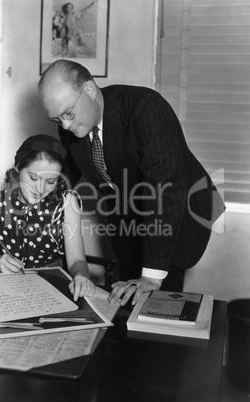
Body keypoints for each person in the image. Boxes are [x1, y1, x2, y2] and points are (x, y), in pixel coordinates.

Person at [38, 59, 225, 306]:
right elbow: (69, 170)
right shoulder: (71, 124)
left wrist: (152, 277)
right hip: (127, 214)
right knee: (125, 299)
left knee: (159, 305)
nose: (65, 125)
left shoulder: (146, 109)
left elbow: (165, 191)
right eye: (57, 119)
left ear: (91, 90)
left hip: (178, 211)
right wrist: (38, 195)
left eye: (68, 113)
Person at [0, 134, 95, 301]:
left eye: (50, 181)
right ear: (18, 168)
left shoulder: (67, 203)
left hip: (51, 289)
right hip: (3, 290)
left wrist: (81, 276)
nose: (40, 188)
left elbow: (76, 260)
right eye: (33, 178)